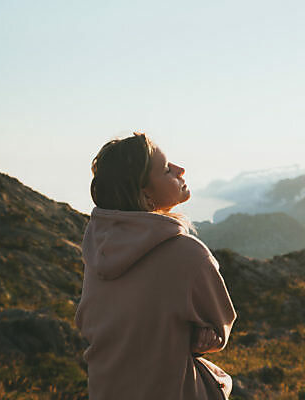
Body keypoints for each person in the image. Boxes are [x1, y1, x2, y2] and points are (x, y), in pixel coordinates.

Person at [74, 132, 237, 399]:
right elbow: (219, 330)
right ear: (145, 194)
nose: (180, 169)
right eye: (165, 169)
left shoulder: (97, 253)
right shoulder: (190, 256)